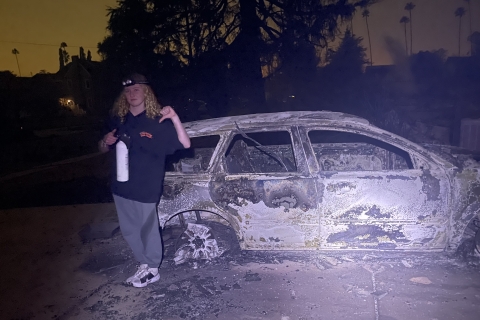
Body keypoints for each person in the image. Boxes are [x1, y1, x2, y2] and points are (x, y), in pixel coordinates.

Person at [98, 73, 190, 288]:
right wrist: (105, 141)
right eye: (128, 91)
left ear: (146, 92)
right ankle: (143, 264)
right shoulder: (118, 119)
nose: (132, 94)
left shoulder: (157, 119)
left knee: (147, 228)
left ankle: (153, 268)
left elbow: (185, 144)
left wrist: (175, 118)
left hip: (146, 185)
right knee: (129, 229)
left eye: (136, 89)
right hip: (120, 185)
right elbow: (102, 148)